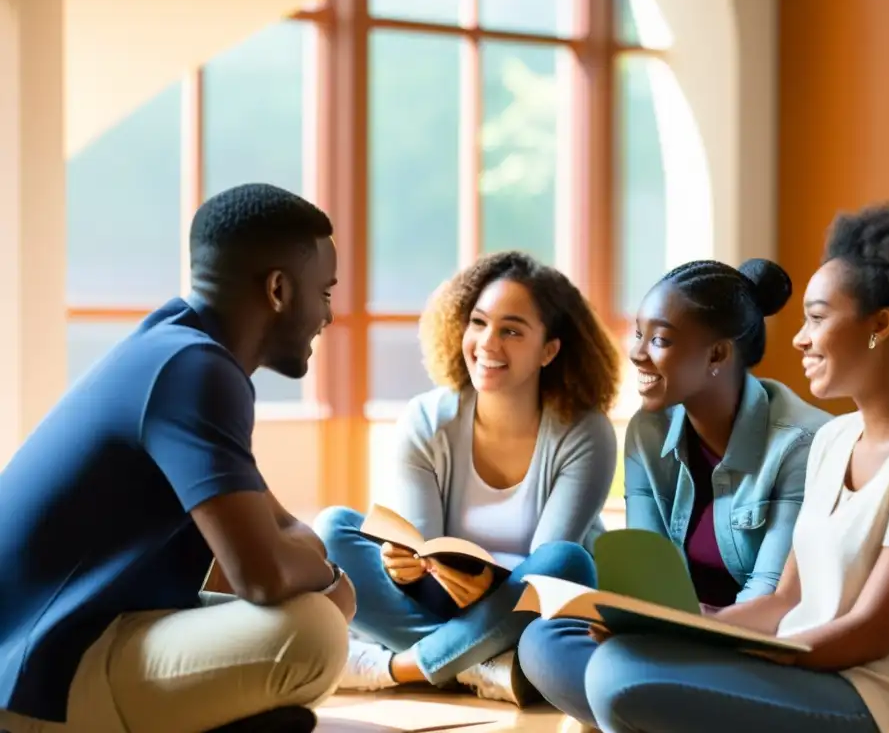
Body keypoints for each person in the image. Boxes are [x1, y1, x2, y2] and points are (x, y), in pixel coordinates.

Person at [549, 205, 889, 733]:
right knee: (572, 646)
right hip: (792, 662)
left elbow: (872, 633)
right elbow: (787, 599)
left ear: (880, 327)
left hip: (868, 700)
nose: (799, 339)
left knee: (616, 677)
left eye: (818, 318)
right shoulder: (834, 438)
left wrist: (738, 655)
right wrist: (688, 628)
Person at [0, 183, 355, 733]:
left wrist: (303, 560)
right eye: (326, 292)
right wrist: (328, 573)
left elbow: (277, 525)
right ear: (280, 289)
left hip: (73, 645)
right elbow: (259, 572)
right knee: (312, 632)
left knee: (303, 613)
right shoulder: (194, 370)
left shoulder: (175, 348)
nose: (329, 316)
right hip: (35, 676)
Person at [518, 257, 832, 727]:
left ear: (717, 356)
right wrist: (634, 622)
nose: (637, 353)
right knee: (541, 642)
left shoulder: (802, 444)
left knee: (616, 675)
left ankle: (637, 703)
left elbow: (768, 600)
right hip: (669, 639)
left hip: (751, 648)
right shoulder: (648, 430)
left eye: (660, 339)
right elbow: (647, 574)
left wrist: (685, 630)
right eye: (639, 334)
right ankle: (647, 706)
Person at [314, 251, 621, 706]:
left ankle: (396, 668)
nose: (488, 343)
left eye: (512, 330)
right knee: (333, 530)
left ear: (549, 350)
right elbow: (426, 557)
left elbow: (548, 580)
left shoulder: (585, 431)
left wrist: (491, 590)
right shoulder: (426, 420)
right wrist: (404, 570)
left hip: (529, 610)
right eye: (478, 323)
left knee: (567, 561)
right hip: (447, 604)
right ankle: (481, 666)